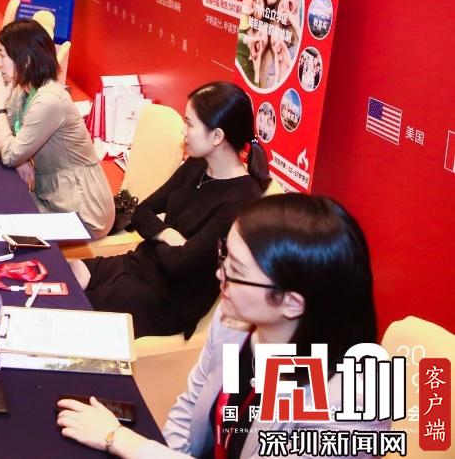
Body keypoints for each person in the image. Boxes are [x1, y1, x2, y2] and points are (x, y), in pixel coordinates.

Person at [57, 193, 387, 457]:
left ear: (291, 303)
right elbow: (189, 409)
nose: (220, 275)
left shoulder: (353, 402)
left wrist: (121, 440)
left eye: (237, 272)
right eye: (224, 255)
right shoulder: (235, 323)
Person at [72, 81, 270, 337]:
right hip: (138, 266)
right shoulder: (197, 165)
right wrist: (166, 233)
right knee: (65, 274)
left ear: (217, 136)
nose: (183, 132)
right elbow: (141, 211)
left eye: (190, 124)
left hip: (167, 299)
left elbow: (181, 264)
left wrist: (155, 235)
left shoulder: (241, 200)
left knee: (72, 310)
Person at [0, 19, 114, 235]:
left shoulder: (49, 100)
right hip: (50, 194)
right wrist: (20, 157)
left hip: (82, 211)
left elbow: (9, 154)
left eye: (3, 55)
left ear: (25, 60)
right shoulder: (24, 89)